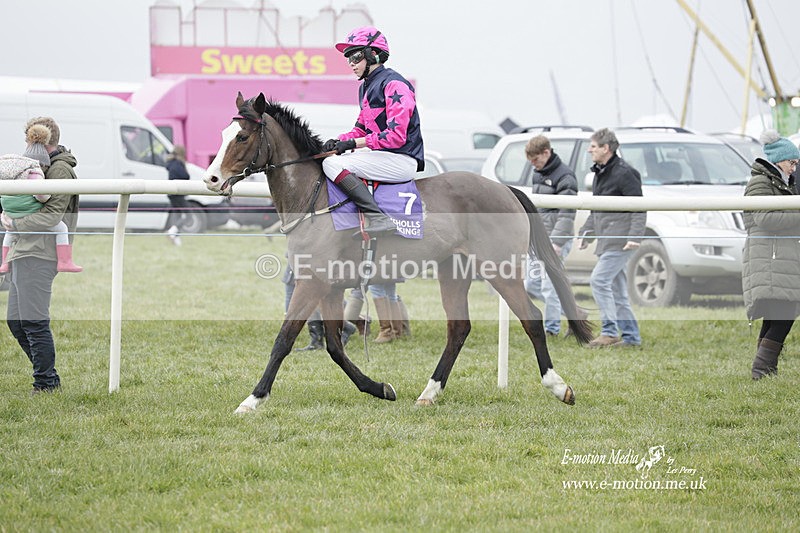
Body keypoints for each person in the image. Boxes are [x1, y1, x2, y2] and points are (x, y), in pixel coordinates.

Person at [321, 26, 424, 237]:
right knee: (328, 156)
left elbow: (396, 137)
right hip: (382, 156)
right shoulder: (366, 86)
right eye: (348, 58)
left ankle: (377, 217)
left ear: (374, 54)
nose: (351, 63)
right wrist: (338, 141)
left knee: (331, 164)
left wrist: (352, 145)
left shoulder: (395, 85)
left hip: (401, 158)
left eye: (356, 56)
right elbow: (360, 129)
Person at [2, 116, 80, 394]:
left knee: (33, 323)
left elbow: (52, 215)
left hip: (40, 254)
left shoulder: (59, 171)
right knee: (16, 322)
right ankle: (48, 378)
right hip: (25, 251)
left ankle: (46, 383)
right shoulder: (41, 167)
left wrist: (14, 222)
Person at [578, 128, 645, 348]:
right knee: (617, 291)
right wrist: (587, 232)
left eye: (594, 146)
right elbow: (597, 208)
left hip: (621, 241)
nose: (589, 150)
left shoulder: (625, 173)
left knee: (599, 281)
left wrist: (635, 236)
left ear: (606, 148)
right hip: (608, 240)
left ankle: (609, 331)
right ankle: (631, 337)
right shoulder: (601, 172)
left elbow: (639, 207)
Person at [742, 130, 800, 379]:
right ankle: (762, 368)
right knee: (784, 313)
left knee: (779, 313)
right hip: (770, 257)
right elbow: (765, 218)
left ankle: (764, 369)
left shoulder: (777, 181)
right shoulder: (761, 182)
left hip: (777, 257)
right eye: (791, 162)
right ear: (778, 161)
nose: (794, 168)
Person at [0, 125, 82, 273]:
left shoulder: (17, 171)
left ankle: (4, 263)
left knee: (8, 234)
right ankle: (65, 260)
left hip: (11, 213)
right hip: (27, 216)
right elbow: (42, 198)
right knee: (62, 228)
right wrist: (46, 195)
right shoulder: (35, 173)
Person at [522, 135, 578, 337]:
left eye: (535, 160)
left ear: (546, 152)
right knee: (531, 284)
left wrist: (558, 242)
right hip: (539, 238)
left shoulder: (566, 177)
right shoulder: (538, 173)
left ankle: (551, 329)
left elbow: (567, 212)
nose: (533, 166)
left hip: (555, 240)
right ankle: (575, 315)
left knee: (549, 287)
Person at [165, 145, 190, 246]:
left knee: (177, 216)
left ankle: (176, 238)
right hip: (178, 194)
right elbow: (186, 176)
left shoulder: (170, 164)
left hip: (172, 194)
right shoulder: (177, 164)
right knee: (188, 215)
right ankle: (173, 231)